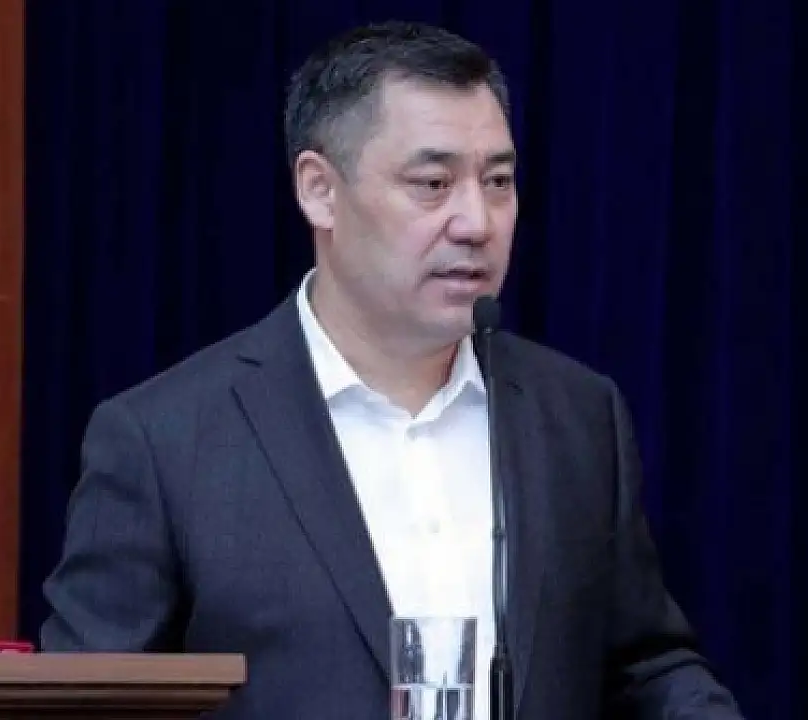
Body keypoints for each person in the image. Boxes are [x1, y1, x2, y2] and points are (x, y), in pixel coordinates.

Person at [39, 20, 743, 720]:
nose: (476, 222)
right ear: (319, 190)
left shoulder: (575, 414)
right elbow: (89, 706)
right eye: (433, 183)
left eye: (498, 181)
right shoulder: (166, 441)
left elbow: (644, 667)